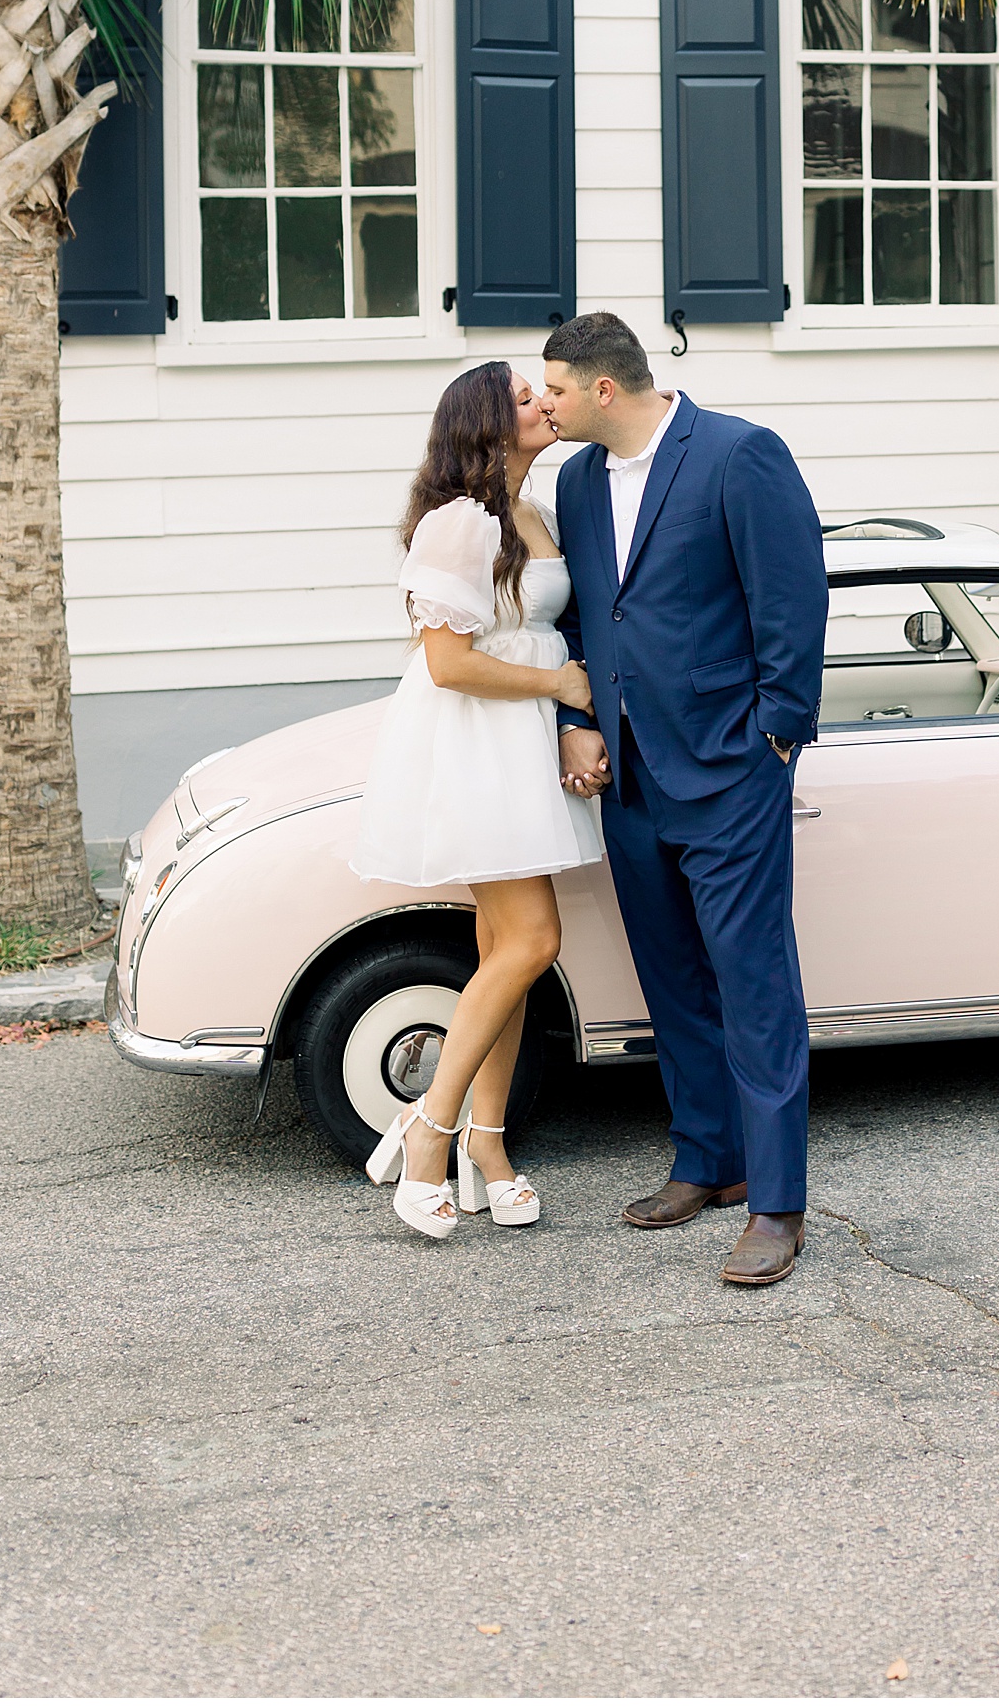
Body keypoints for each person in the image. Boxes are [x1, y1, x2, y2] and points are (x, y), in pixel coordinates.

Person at [541, 312, 828, 1288]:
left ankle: (778, 1203)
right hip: (625, 772)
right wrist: (575, 717)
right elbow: (586, 609)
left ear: (605, 389)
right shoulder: (575, 480)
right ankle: (708, 1159)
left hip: (730, 768)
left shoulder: (739, 455)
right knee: (673, 982)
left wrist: (776, 739)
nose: (544, 404)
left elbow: (793, 599)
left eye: (556, 389)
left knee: (754, 986)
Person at [353, 362, 608, 1241]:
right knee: (535, 937)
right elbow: (448, 662)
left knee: (508, 949)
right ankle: (428, 1129)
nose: (545, 402)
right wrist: (564, 684)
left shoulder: (531, 512)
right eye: (527, 396)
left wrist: (567, 703)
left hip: (523, 739)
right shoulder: (459, 523)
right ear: (488, 424)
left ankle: (488, 1146)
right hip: (476, 743)